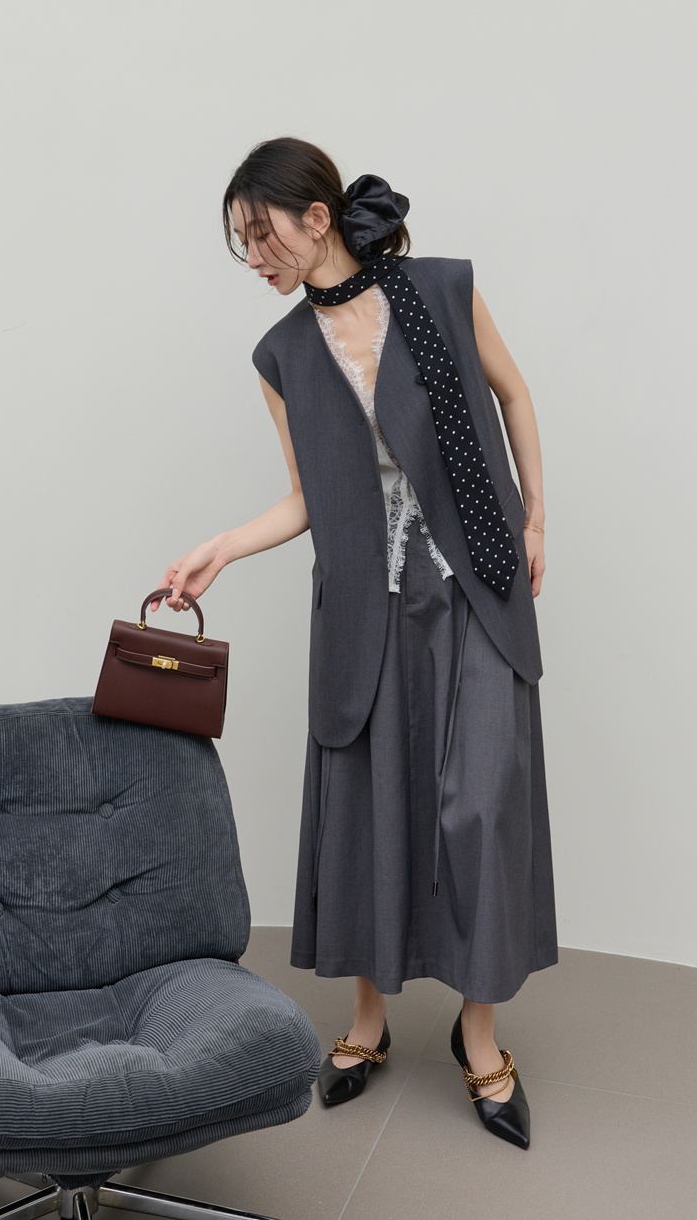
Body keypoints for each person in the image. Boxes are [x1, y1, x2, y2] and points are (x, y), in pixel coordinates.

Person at [150, 137, 558, 1150]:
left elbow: (513, 393)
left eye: (263, 235)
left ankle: (477, 1034)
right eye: (242, 242)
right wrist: (220, 549)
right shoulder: (282, 355)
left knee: (481, 802)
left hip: (471, 581)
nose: (255, 257)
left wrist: (537, 516)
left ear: (317, 218)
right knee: (373, 805)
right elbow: (306, 496)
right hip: (365, 601)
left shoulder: (441, 289)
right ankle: (368, 1020)